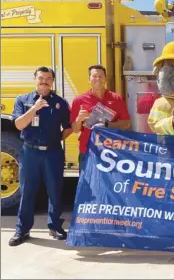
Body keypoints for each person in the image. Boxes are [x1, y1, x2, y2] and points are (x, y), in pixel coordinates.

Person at [9, 67, 73, 246]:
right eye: (41, 78)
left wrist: (55, 140)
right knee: (27, 191)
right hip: (30, 152)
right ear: (35, 79)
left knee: (55, 191)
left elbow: (68, 128)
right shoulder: (23, 100)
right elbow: (19, 125)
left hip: (53, 152)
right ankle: (22, 230)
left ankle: (55, 226)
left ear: (53, 81)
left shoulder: (60, 102)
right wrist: (35, 108)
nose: (44, 81)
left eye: (48, 78)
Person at [70, 65, 131, 171]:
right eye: (94, 76)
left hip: (111, 151)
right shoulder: (79, 100)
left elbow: (127, 124)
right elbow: (75, 129)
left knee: (108, 186)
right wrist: (79, 119)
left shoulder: (116, 98)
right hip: (88, 150)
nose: (98, 79)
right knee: (87, 185)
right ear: (89, 79)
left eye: (101, 76)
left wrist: (107, 125)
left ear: (105, 78)